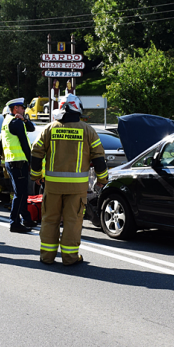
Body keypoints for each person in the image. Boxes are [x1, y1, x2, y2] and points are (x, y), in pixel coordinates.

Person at [31, 94, 108, 265]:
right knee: (72, 221)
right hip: (77, 188)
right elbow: (99, 159)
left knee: (50, 219)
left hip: (52, 187)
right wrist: (102, 179)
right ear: (78, 108)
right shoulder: (88, 131)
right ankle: (70, 258)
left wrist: (36, 175)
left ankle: (47, 257)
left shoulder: (50, 128)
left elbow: (36, 153)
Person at [1, 97, 36, 233]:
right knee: (20, 194)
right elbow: (25, 144)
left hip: (12, 161)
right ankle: (14, 222)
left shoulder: (8, 121)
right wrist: (31, 161)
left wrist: (25, 119)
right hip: (18, 162)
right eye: (22, 108)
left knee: (22, 193)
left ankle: (26, 218)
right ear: (16, 109)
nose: (24, 109)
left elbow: (31, 128)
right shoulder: (15, 122)